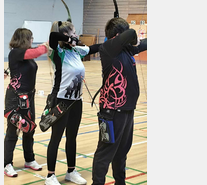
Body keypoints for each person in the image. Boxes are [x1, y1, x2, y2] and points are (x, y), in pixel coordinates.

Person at [44, 21, 101, 185]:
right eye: (74, 32)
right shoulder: (58, 52)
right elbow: (54, 36)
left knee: (72, 137)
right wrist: (69, 40)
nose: (77, 35)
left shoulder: (76, 51)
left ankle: (71, 171)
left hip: (77, 101)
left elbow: (95, 48)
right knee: (56, 138)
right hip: (61, 100)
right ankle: (50, 175)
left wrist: (115, 41)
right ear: (67, 35)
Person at [91, 17, 147, 185]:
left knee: (122, 151)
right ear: (117, 35)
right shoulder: (107, 48)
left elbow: (143, 44)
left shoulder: (126, 50)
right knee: (105, 152)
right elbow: (130, 33)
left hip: (128, 109)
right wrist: (128, 33)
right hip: (112, 111)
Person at [4, 28, 48, 177]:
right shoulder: (16, 52)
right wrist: (46, 45)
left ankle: (29, 159)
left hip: (28, 98)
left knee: (29, 129)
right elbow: (36, 52)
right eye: (30, 38)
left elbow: (18, 68)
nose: (32, 40)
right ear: (24, 39)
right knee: (13, 131)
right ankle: (6, 163)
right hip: (15, 98)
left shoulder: (24, 55)